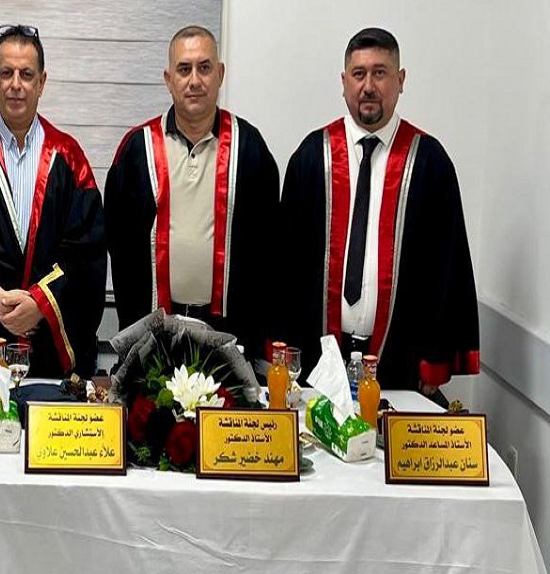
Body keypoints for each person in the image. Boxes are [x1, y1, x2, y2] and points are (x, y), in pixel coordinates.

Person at [280, 27, 479, 396]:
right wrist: (282, 349)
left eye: (380, 73)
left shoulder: (429, 163)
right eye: (359, 74)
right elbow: (286, 264)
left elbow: (447, 266)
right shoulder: (312, 156)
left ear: (400, 80)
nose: (368, 86)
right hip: (316, 362)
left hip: (401, 362)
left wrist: (436, 360)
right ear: (344, 82)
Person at [0, 25, 106, 378]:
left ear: (42, 82)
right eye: (6, 73)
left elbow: (86, 249)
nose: (16, 84)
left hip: (51, 344)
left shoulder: (69, 157)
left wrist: (40, 303)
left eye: (26, 74)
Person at [105, 25, 280, 358]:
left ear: (220, 74)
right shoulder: (136, 149)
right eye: (184, 69)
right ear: (168, 79)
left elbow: (269, 249)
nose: (195, 80)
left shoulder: (250, 148)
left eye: (204, 68)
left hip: (231, 335)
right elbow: (118, 242)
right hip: (153, 335)